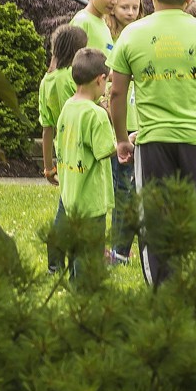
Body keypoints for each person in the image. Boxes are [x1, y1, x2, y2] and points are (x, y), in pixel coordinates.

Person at [108, 0, 196, 286]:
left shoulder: (133, 34)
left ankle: (163, 289)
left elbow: (116, 94)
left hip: (152, 143)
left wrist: (121, 137)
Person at [53, 48, 118, 277]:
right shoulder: (96, 114)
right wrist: (124, 140)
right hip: (91, 198)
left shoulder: (68, 106)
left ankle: (72, 283)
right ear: (100, 80)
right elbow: (106, 150)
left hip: (71, 192)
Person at [37, 23, 89, 273]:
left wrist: (48, 167)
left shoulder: (47, 81)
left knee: (66, 203)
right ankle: (62, 261)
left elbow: (47, 130)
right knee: (71, 207)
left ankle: (55, 262)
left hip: (62, 150)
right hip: (81, 149)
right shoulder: (73, 79)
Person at [106, 0, 145, 265]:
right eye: (125, 7)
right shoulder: (110, 36)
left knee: (127, 189)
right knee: (121, 189)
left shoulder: (138, 37)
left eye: (135, 8)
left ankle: (121, 248)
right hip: (114, 123)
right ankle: (118, 248)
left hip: (135, 124)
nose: (131, 12)